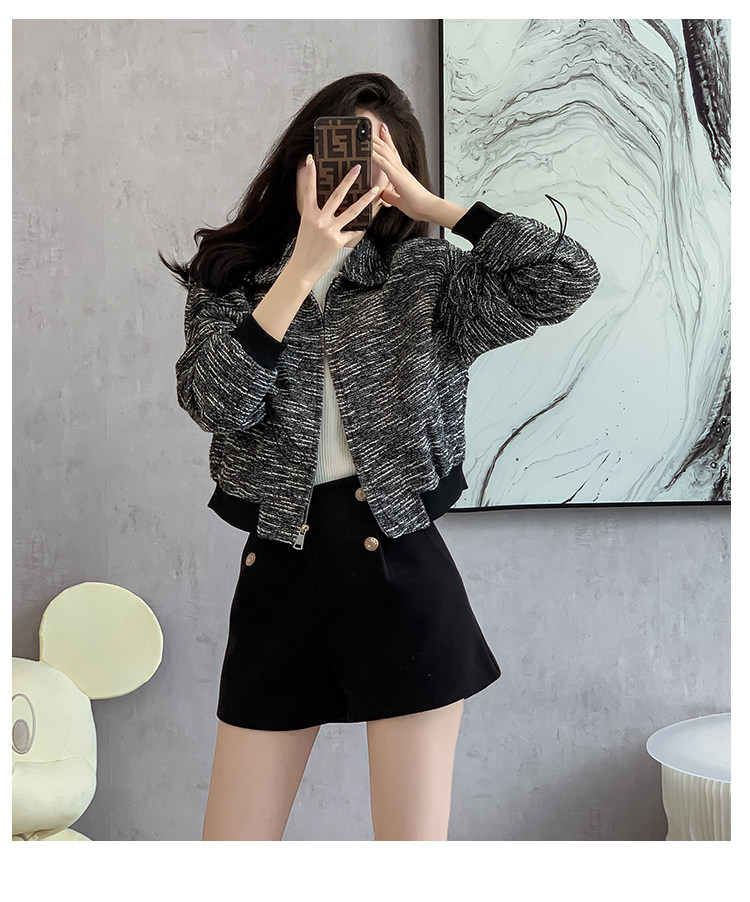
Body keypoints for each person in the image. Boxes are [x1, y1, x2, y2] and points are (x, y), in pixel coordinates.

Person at [162, 72, 601, 841]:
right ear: (304, 158)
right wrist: (301, 268)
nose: (354, 175)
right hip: (281, 579)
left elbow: (566, 276)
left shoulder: (425, 281)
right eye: (340, 151)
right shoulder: (234, 279)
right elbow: (216, 403)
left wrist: (436, 208)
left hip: (402, 578)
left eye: (376, 160)